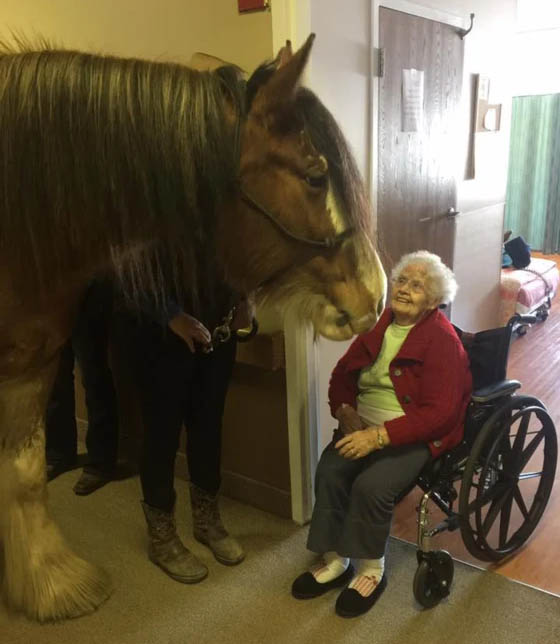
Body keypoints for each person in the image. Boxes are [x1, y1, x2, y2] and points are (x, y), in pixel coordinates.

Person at [291, 250, 472, 618]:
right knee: (330, 471)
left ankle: (372, 569)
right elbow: (341, 376)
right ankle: (336, 559)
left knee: (371, 486)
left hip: (412, 434)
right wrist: (344, 411)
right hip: (362, 424)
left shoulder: (442, 341)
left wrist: (379, 437)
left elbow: (439, 414)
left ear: (434, 300)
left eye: (417, 286)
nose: (405, 290)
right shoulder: (380, 324)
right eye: (402, 280)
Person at [117, 285, 255, 584]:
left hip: (217, 325)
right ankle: (162, 538)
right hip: (159, 333)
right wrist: (170, 315)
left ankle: (207, 521)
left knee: (208, 426)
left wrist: (246, 299)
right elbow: (126, 268)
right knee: (161, 433)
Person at [46, 278, 120, 495]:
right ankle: (59, 453)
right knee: (57, 376)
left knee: (94, 375)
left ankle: (102, 462)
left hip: (91, 283)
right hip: (54, 288)